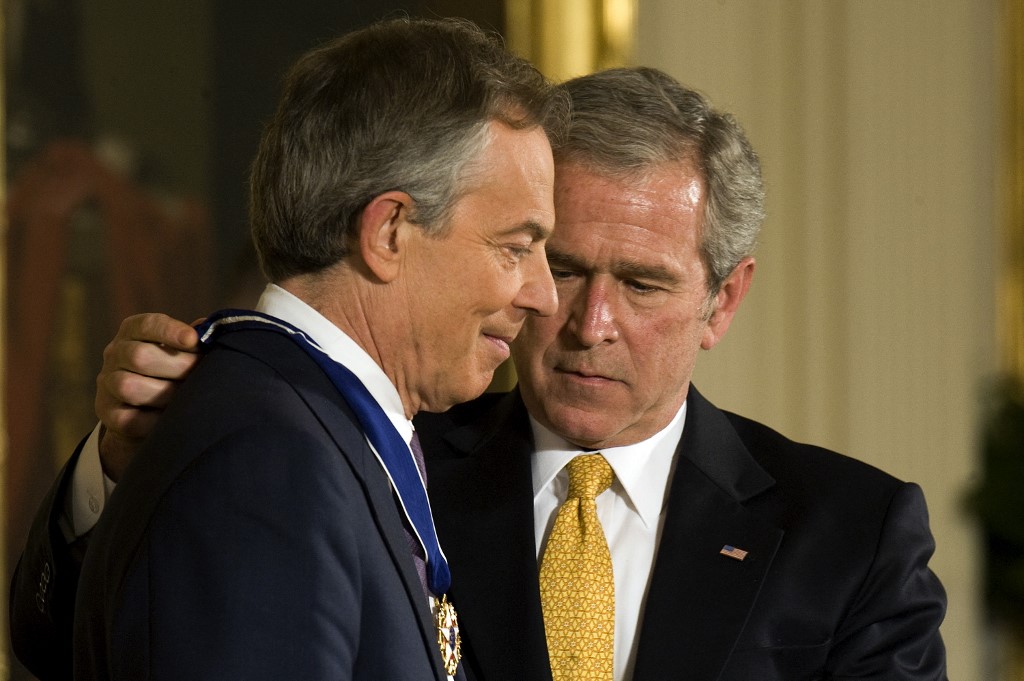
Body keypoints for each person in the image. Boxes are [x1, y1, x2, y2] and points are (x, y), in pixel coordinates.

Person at [10, 67, 948, 681]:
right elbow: (69, 644)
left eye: (644, 283)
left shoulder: (851, 535)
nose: (587, 321)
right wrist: (120, 468)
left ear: (724, 301)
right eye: (559, 263)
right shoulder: (378, 454)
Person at [9, 16, 566, 681]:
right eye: (514, 247)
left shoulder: (315, 428)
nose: (544, 295)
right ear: (388, 231)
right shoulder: (273, 457)